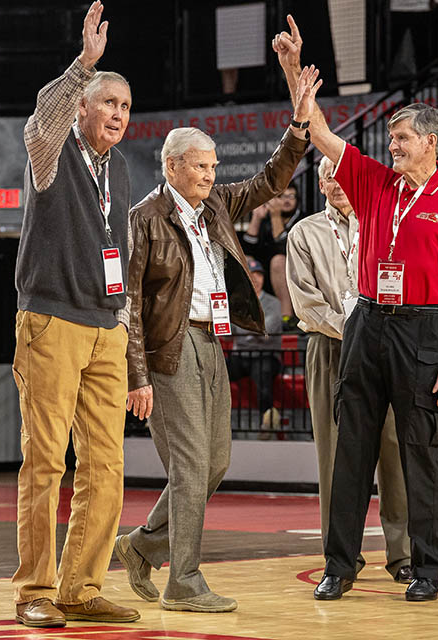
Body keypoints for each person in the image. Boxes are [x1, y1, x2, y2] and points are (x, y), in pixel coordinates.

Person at [289, 54, 438, 600]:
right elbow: (325, 138)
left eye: (401, 138)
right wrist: (299, 92)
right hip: (367, 321)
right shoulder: (376, 182)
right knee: (351, 448)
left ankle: (426, 569)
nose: (391, 145)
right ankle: (340, 566)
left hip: (425, 332)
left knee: (420, 452)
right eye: (392, 137)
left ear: (431, 142)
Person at [117, 70, 309, 610]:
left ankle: (142, 545)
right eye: (200, 166)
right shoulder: (144, 219)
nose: (210, 173)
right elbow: (128, 303)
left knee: (216, 462)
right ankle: (184, 580)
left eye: (213, 166)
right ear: (172, 166)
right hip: (168, 352)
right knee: (190, 464)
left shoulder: (217, 206)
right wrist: (137, 376)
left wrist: (298, 124)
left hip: (212, 346)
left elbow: (270, 180)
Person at [11, 1, 139, 629]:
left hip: (105, 327)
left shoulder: (117, 172)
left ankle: (81, 587)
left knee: (107, 463)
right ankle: (33, 587)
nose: (117, 113)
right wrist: (81, 67)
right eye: (107, 101)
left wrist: (123, 329)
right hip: (52, 321)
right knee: (45, 461)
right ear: (83, 108)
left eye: (124, 106)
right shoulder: (51, 153)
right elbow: (41, 121)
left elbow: (122, 265)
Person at [285, 154, 413, 585]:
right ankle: (341, 559)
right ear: (320, 185)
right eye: (329, 176)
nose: (338, 182)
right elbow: (306, 301)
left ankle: (404, 556)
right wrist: (359, 328)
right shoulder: (304, 233)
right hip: (333, 348)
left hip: (388, 348)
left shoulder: (387, 222)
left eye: (344, 175)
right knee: (336, 457)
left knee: (395, 452)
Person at [226, 257, 284, 438]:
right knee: (217, 372)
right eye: (252, 275)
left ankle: (267, 421)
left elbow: (268, 330)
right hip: (241, 354)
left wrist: (247, 330)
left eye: (259, 274)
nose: (256, 279)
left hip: (266, 355)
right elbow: (231, 328)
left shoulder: (273, 303)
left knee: (263, 373)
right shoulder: (238, 301)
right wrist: (254, 331)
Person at [241, 184, 298, 327]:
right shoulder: (265, 220)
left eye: (291, 196)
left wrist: (275, 216)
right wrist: (256, 218)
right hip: (265, 273)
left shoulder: (301, 219)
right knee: (247, 260)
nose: (286, 200)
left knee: (278, 260)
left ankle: (286, 318)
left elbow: (284, 247)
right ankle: (247, 312)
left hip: (291, 273)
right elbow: (247, 249)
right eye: (281, 196)